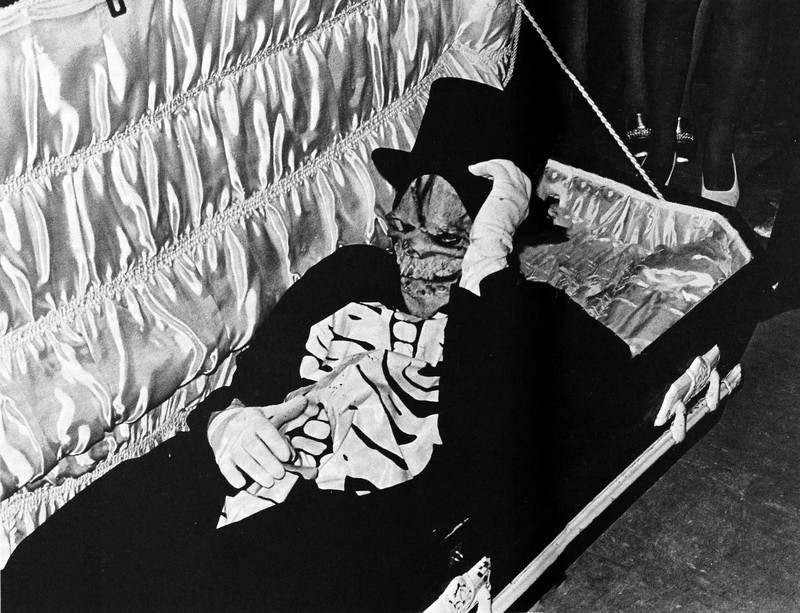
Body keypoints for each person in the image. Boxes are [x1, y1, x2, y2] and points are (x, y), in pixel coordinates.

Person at [2, 78, 576, 612]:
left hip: (345, 536)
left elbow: (499, 465)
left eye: (449, 239)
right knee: (44, 570)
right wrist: (224, 423)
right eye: (403, 230)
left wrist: (485, 267)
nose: (414, 259)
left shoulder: (525, 320)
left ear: (499, 233)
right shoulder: (350, 273)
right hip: (225, 478)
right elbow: (248, 387)